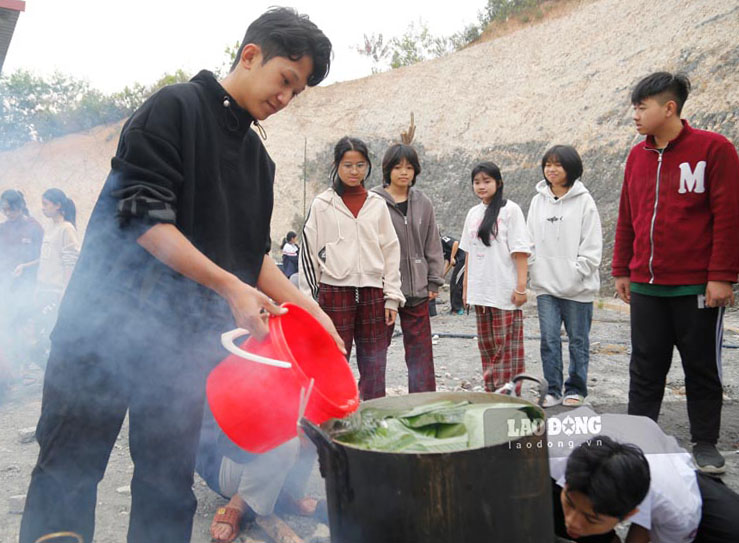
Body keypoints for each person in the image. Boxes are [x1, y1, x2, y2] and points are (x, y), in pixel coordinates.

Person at [19, 9, 341, 543]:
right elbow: (143, 218)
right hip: (101, 330)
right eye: (286, 79)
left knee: (168, 487)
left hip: (178, 353)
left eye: (298, 91)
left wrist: (313, 312)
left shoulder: (259, 163)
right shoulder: (175, 108)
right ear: (250, 54)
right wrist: (228, 285)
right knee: (68, 472)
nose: (286, 98)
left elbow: (252, 257)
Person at [612, 72, 739, 474]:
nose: (635, 114)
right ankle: (638, 438)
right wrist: (622, 268)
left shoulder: (713, 150)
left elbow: (728, 216)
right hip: (647, 286)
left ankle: (705, 443)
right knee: (644, 365)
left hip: (696, 286)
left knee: (701, 366)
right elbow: (627, 217)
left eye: (641, 107)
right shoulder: (637, 156)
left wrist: (722, 274)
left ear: (669, 108)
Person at [300, 136, 404, 400]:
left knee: (374, 364)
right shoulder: (322, 204)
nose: (354, 171)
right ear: (337, 165)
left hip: (373, 294)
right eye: (348, 165)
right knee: (333, 361)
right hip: (334, 293)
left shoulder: (377, 204)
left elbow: (391, 251)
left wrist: (391, 297)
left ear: (368, 166)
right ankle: (332, 418)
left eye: (360, 165)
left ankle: (372, 420)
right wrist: (311, 305)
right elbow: (308, 255)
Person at [548, 407, 739, 543]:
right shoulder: (549, 444)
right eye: (570, 503)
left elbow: (649, 526)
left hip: (667, 464)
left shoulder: (677, 507)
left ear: (630, 513)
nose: (571, 522)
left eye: (591, 519)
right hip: (610, 434)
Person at [527, 145, 602, 408]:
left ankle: (576, 388)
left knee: (578, 341)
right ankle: (553, 389)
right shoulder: (538, 201)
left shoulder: (584, 201)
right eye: (548, 164)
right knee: (548, 340)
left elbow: (592, 246)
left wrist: (576, 273)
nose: (552, 169)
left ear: (571, 168)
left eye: (558, 164)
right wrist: (535, 269)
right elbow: (530, 242)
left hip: (578, 288)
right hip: (546, 286)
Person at [372, 143, 444, 393]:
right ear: (387, 170)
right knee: (376, 349)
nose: (404, 172)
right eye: (398, 167)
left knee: (421, 352)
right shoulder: (373, 201)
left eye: (409, 167)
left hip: (418, 290)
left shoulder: (423, 202)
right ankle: (373, 401)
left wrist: (434, 279)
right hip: (383, 291)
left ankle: (424, 403)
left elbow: (432, 242)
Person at [196, 409, 320, 543]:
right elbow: (231, 448)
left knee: (312, 429)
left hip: (264, 463)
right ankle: (238, 503)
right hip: (223, 463)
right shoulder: (234, 390)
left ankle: (289, 493)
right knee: (286, 440)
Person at [460, 162, 531, 393]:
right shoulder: (473, 213)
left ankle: (510, 397)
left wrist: (521, 288)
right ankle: (491, 393)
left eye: (486, 181)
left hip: (503, 289)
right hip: (480, 292)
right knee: (488, 347)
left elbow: (520, 251)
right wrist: (466, 289)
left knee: (507, 348)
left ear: (498, 183)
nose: (481, 186)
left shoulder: (511, 210)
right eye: (477, 182)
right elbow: (468, 253)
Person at [18, 189, 81, 368]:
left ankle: (56, 375)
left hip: (55, 292)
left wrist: (64, 292)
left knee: (45, 338)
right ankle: (48, 375)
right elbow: (47, 258)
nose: (43, 208)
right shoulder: (50, 228)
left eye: (45, 204)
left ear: (58, 205)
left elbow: (70, 262)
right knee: (36, 335)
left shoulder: (66, 229)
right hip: (43, 290)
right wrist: (25, 266)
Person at [0, 190, 43, 383]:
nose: (7, 213)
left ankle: (27, 369)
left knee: (25, 326)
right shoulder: (2, 229)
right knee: (9, 326)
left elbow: (43, 257)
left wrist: (25, 268)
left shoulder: (33, 227)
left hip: (28, 284)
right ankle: (14, 370)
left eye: (10, 209)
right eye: (4, 210)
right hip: (7, 285)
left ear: (19, 206)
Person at [441, 233, 466, 315]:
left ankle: (458, 309)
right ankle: (455, 308)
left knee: (456, 283)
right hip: (459, 262)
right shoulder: (440, 248)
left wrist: (452, 257)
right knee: (454, 283)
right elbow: (447, 262)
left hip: (463, 259)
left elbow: (456, 243)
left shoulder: (443, 239)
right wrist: (442, 276)